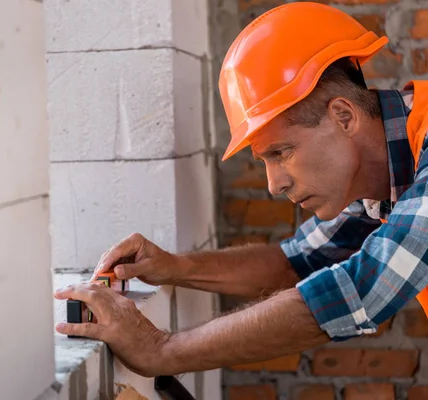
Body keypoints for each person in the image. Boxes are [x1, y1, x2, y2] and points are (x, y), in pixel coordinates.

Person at [53, 2, 428, 378]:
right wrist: (174, 267)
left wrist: (161, 350)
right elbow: (296, 262)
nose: (274, 184)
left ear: (343, 116)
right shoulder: (380, 181)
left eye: (282, 152)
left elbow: (361, 290)